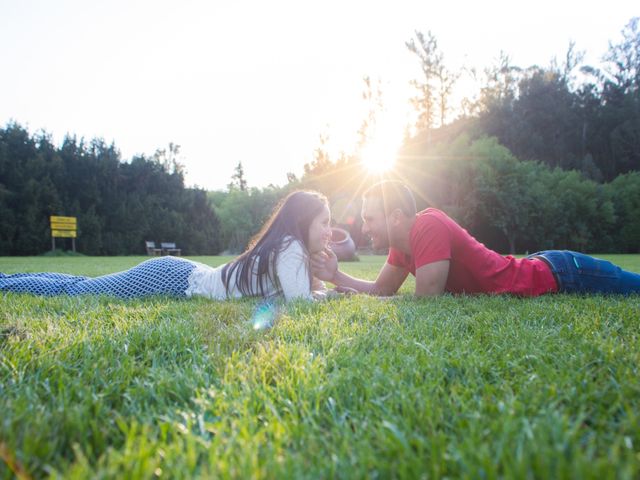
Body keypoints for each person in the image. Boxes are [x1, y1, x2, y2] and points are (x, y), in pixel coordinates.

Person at [311, 180, 640, 297]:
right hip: (543, 264)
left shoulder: (428, 225)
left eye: (370, 219)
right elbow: (382, 291)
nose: (364, 228)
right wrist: (336, 276)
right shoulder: (401, 246)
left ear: (396, 216)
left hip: (560, 274)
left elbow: (426, 303)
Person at [1, 191, 333, 302]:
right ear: (303, 222)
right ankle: (5, 282)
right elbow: (300, 303)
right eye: (325, 223)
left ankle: (9, 279)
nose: (330, 232)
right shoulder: (290, 247)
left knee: (80, 286)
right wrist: (332, 294)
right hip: (171, 278)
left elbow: (298, 294)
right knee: (81, 291)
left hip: (184, 274)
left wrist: (326, 288)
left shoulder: (292, 250)